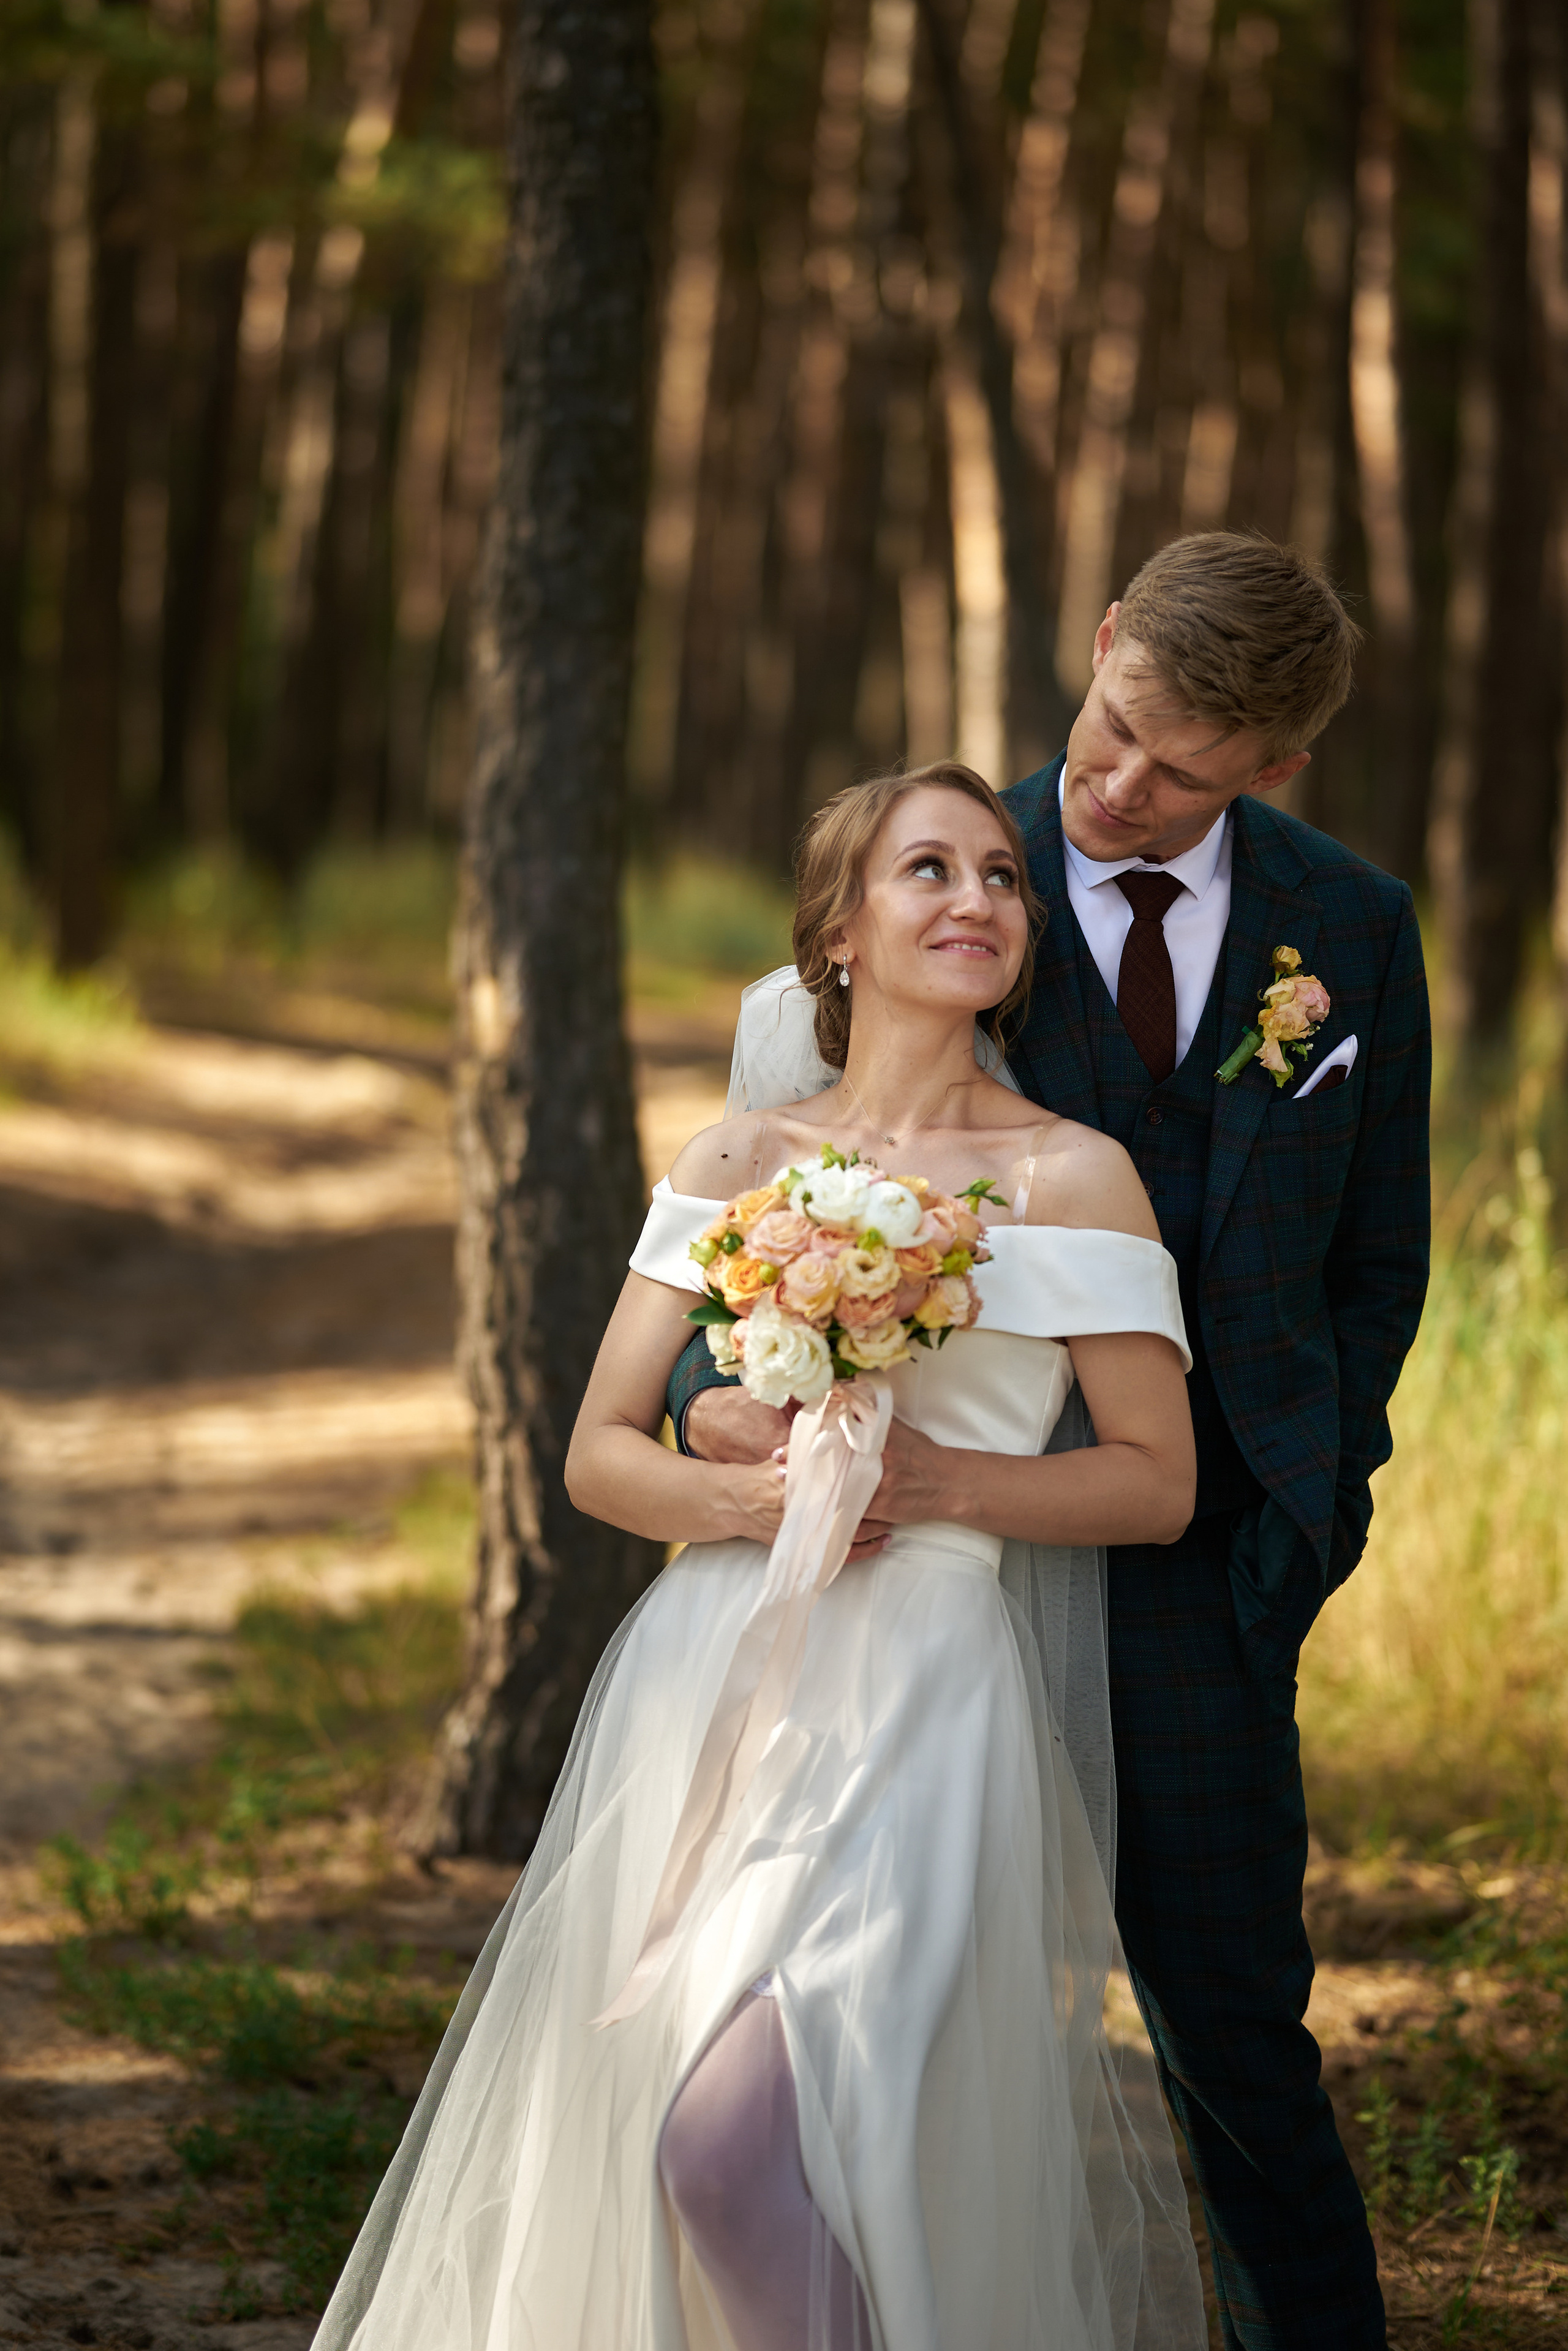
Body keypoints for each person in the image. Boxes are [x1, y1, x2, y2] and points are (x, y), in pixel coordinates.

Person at [314, 763, 1210, 2349]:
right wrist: (753, 1496)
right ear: (839, 930)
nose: (979, 899)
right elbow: (598, 1452)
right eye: (930, 869)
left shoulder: (1072, 1176)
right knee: (662, 2149)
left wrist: (938, 1482)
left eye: (1003, 877)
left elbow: (1158, 1484)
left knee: (728, 2149)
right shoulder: (738, 1164)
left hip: (924, 1699)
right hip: (711, 1682)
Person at [673, 532, 1431, 2351]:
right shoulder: (925, 886)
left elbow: (1375, 1260)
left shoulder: (1351, 929)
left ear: (1275, 768)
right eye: (1114, 728)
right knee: (851, 2024)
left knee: (1233, 2034)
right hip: (906, 1587)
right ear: (1099, 645)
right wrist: (725, 1412)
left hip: (1200, 1568)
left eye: (1182, 772)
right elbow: (750, 1262)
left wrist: (1309, 1507)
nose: (1118, 786)